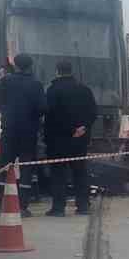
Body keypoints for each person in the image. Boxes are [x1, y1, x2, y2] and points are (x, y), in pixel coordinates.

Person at [43, 60, 98, 216]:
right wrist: (83, 128)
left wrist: (69, 129)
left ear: (57, 71)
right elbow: (93, 112)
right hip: (79, 140)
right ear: (71, 71)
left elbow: (52, 116)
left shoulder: (52, 90)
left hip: (57, 140)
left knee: (58, 173)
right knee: (80, 171)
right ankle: (83, 206)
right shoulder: (84, 90)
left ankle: (58, 208)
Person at [0, 53, 44, 215]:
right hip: (28, 133)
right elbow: (43, 108)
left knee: (4, 167)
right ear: (30, 66)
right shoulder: (36, 84)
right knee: (26, 169)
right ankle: (22, 207)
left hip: (9, 130)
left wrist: (8, 114)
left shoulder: (6, 81)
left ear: (15, 65)